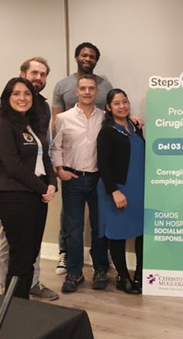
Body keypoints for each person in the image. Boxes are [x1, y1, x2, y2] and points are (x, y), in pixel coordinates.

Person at [0, 77, 57, 299]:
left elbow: (45, 156)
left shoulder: (31, 123)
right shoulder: (1, 125)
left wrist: (52, 184)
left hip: (36, 197)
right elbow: (14, 166)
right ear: (7, 97)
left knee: (30, 256)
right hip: (15, 198)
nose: (22, 98)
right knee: (20, 259)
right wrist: (43, 188)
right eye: (16, 93)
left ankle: (23, 305)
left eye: (27, 94)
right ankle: (14, 308)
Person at [51, 42, 113, 275]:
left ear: (97, 92)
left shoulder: (104, 115)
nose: (87, 92)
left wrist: (133, 118)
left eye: (92, 56)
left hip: (98, 177)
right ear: (76, 92)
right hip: (73, 175)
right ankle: (72, 268)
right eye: (84, 55)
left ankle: (100, 268)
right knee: (73, 226)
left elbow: (118, 117)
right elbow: (55, 141)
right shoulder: (63, 111)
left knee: (99, 225)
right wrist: (59, 169)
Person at [96, 89, 144, 295]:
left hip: (139, 188)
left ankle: (140, 274)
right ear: (109, 107)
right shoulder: (106, 132)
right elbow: (103, 165)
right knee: (117, 234)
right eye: (116, 103)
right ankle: (123, 277)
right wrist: (114, 191)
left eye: (125, 101)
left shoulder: (135, 127)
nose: (122, 106)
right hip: (118, 189)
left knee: (141, 232)